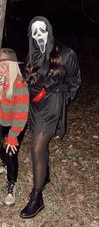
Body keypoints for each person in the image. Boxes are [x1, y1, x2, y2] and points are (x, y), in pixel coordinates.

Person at [19, 16, 81, 218]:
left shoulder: (66, 53)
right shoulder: (32, 54)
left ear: (50, 30)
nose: (39, 35)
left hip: (52, 105)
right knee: (41, 144)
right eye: (34, 32)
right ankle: (43, 176)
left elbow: (75, 80)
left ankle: (37, 198)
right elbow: (29, 82)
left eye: (42, 30)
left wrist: (64, 97)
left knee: (36, 147)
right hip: (35, 106)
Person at [0, 48, 29, 206]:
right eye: (0, 64)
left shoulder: (19, 83)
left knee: (11, 152)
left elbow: (21, 113)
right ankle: (5, 163)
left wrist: (13, 135)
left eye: (6, 64)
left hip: (16, 123)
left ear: (13, 66)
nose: (3, 68)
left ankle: (11, 185)